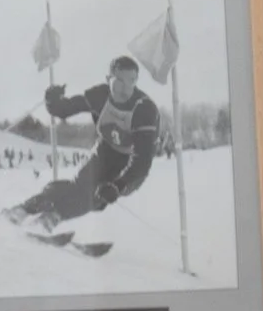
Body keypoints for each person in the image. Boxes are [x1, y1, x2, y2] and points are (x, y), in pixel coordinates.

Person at [10, 53, 162, 231]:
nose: (125, 89)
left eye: (131, 81)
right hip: (106, 150)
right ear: (108, 79)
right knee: (78, 188)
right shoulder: (101, 95)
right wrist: (53, 101)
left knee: (98, 196)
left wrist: (118, 186)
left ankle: (51, 218)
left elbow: (141, 163)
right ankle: (23, 210)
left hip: (130, 162)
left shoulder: (144, 109)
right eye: (119, 80)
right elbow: (66, 109)